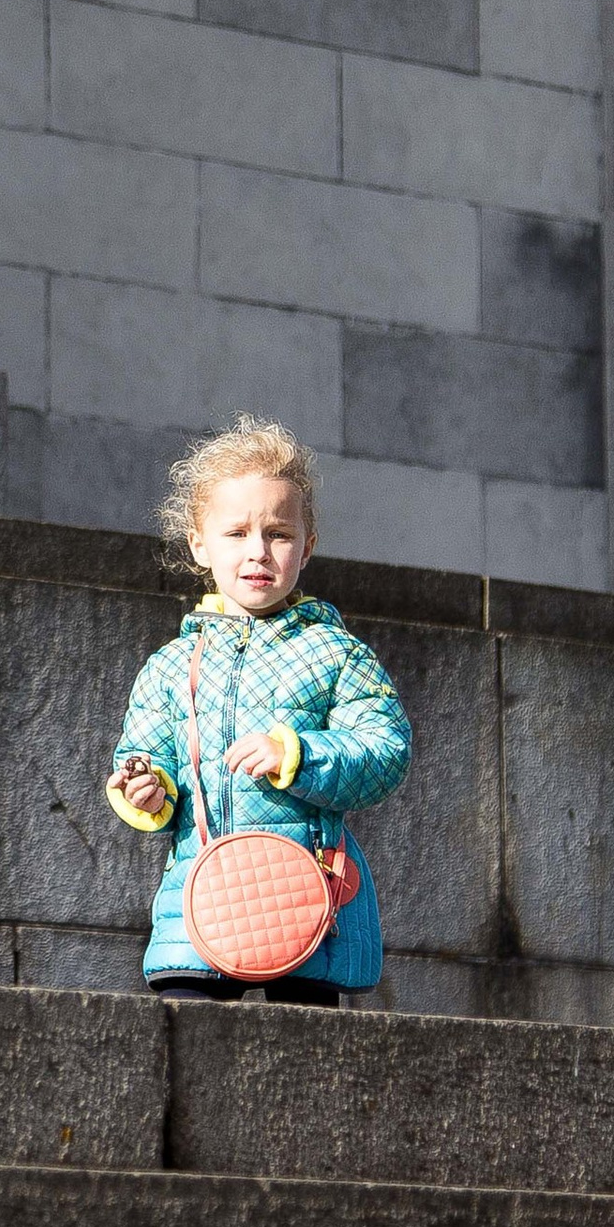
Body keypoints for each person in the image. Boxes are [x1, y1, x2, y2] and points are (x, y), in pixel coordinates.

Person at [105, 416, 411, 1005]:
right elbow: (143, 760)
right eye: (237, 533)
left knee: (301, 1072)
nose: (259, 552)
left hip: (306, 903)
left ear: (308, 547)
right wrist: (146, 790)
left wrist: (294, 753)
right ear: (199, 543)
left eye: (278, 533)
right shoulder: (171, 665)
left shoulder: (336, 653)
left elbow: (385, 751)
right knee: (185, 1053)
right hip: (199, 904)